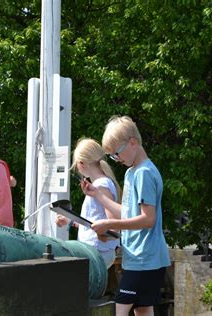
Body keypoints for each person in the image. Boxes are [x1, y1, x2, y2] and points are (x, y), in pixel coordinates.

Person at [82, 116, 170, 316]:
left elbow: (148, 219)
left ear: (133, 142)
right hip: (139, 258)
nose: (117, 159)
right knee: (142, 310)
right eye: (112, 156)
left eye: (116, 154)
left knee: (120, 310)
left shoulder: (144, 174)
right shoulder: (132, 173)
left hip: (144, 259)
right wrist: (97, 195)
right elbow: (129, 214)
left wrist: (110, 224)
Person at [55, 138, 121, 269]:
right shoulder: (101, 183)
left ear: (81, 163)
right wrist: (70, 221)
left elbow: (113, 223)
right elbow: (95, 221)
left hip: (97, 251)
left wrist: (105, 234)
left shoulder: (101, 185)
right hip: (98, 250)